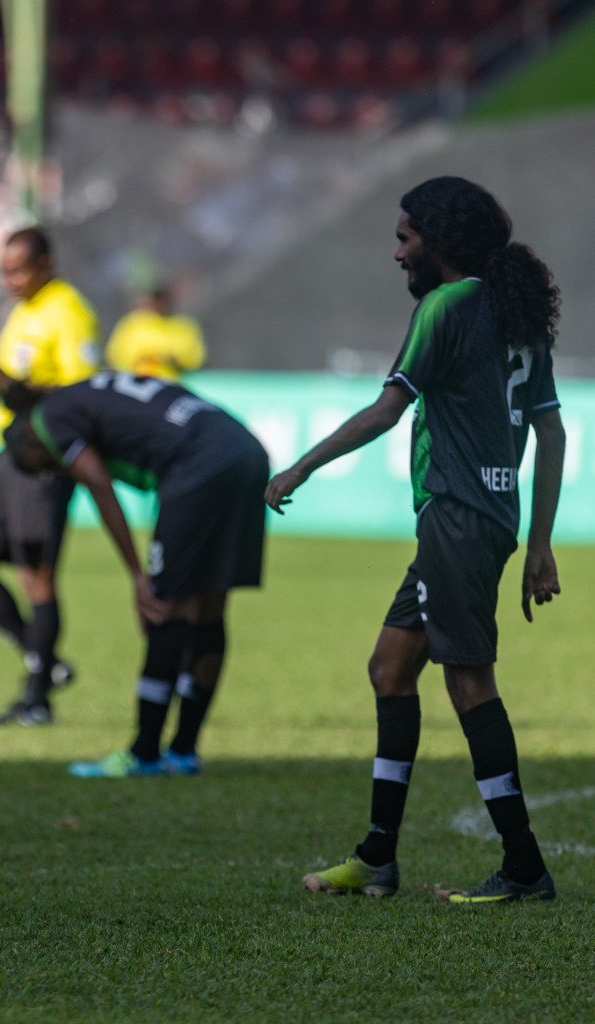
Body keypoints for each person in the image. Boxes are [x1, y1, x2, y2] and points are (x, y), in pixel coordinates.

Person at [267, 177, 564, 904]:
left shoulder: (446, 307)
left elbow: (386, 411)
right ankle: (376, 857)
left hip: (456, 517)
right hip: (483, 519)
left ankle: (524, 866)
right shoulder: (512, 310)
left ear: (441, 241)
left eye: (406, 238)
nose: (397, 254)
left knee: (469, 684)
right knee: (390, 668)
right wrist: (538, 542)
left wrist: (301, 465)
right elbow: (551, 430)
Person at [1, 370, 268, 777]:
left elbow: (100, 485)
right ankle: (183, 751)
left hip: (198, 465)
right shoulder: (81, 395)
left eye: (47, 465)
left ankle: (144, 754)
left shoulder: (49, 421)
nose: (57, 472)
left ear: (32, 442)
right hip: (246, 451)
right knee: (209, 606)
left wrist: (136, 575)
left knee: (163, 606)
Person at [0, 228, 98, 726]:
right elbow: (19, 383)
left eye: (18, 270)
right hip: (8, 453)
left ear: (46, 264)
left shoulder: (69, 312)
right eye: (4, 270)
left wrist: (4, 383)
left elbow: (81, 397)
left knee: (35, 578)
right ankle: (48, 662)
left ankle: (37, 697)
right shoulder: (26, 310)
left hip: (44, 460)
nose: (9, 280)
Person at [104, 283, 206, 381]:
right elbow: (114, 356)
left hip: (171, 383)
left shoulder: (182, 325)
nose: (157, 304)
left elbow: (195, 359)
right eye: (154, 299)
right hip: (135, 382)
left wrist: (170, 361)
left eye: (160, 299)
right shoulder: (132, 323)